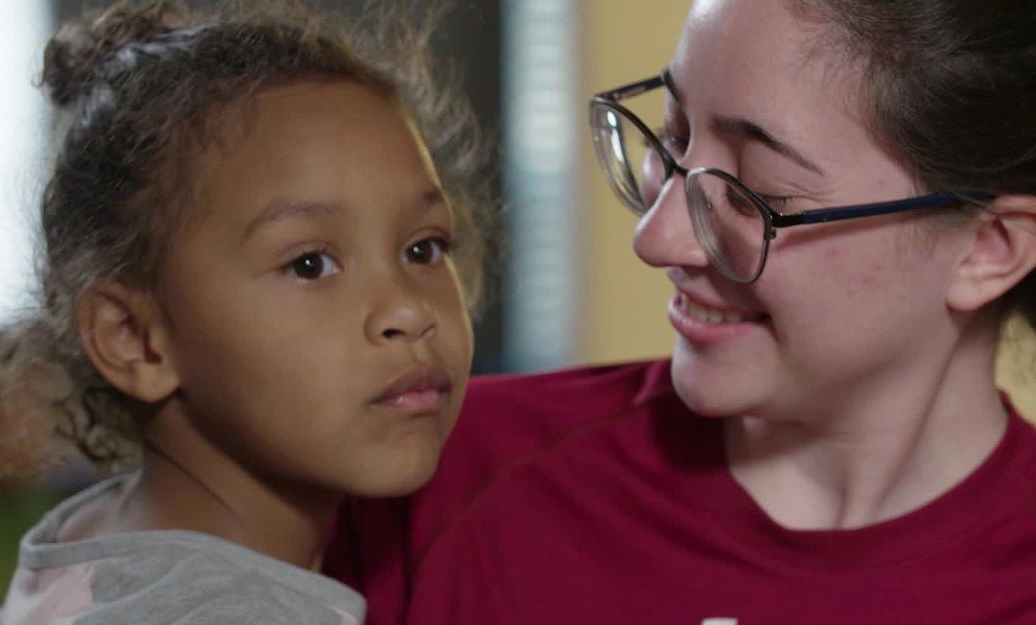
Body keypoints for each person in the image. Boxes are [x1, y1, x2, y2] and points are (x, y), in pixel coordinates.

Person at [325, 0, 1036, 623]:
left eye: (757, 192)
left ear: (991, 249)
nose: (655, 237)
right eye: (672, 139)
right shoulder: (433, 475)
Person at [0, 1, 491, 623]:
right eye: (310, 264)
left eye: (423, 248)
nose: (409, 310)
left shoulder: (91, 538)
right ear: (136, 338)